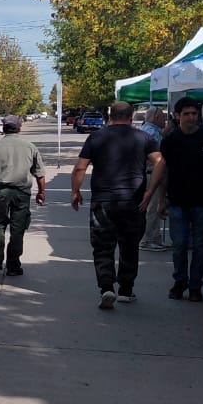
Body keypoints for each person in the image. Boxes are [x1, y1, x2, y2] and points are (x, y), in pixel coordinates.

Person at [71, 101, 162, 309]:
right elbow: (160, 161)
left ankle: (106, 287)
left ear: (110, 116)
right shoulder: (143, 137)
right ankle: (126, 290)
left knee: (102, 246)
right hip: (132, 200)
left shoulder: (96, 137)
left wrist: (75, 192)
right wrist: (149, 191)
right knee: (129, 246)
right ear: (132, 117)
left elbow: (80, 168)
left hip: (103, 200)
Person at [141, 97, 203, 302]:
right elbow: (164, 171)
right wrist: (160, 199)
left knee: (200, 246)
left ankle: (195, 286)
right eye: (186, 114)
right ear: (177, 116)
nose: (191, 117)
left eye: (194, 113)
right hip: (177, 201)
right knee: (179, 245)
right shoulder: (171, 140)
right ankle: (180, 281)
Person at [0, 114, 46, 276]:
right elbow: (40, 174)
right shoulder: (30, 147)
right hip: (21, 194)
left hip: (0, 193)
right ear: (19, 128)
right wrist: (41, 192)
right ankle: (13, 265)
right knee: (18, 229)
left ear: (3, 128)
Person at [138, 109, 171, 251]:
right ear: (155, 118)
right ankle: (149, 239)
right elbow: (157, 158)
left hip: (146, 173)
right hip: (152, 173)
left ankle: (153, 238)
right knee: (152, 207)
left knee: (150, 207)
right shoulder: (152, 133)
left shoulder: (146, 130)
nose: (165, 121)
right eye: (163, 118)